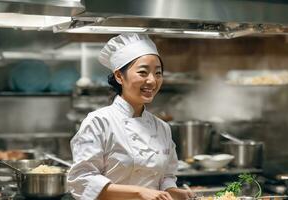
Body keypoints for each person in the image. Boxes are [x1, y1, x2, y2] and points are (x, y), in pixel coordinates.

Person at [67, 33, 195, 200]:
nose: (152, 81)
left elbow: (166, 177)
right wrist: (139, 192)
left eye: (158, 73)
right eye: (143, 72)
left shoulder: (161, 127)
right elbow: (82, 181)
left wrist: (172, 191)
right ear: (119, 76)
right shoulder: (99, 122)